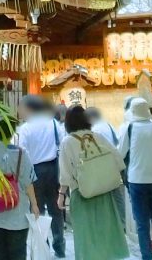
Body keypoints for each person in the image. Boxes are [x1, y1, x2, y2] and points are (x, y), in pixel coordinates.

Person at [57, 106, 128, 260]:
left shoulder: (67, 142)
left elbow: (65, 174)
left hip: (82, 194)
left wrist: (61, 194)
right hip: (104, 193)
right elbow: (119, 160)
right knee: (106, 235)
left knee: (86, 238)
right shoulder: (97, 137)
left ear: (68, 122)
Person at [0, 115, 40, 260]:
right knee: (18, 254)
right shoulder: (21, 154)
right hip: (18, 217)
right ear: (12, 132)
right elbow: (28, 183)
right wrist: (34, 205)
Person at [118, 98, 152, 260]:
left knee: (142, 225)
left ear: (132, 112)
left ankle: (147, 257)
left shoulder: (129, 128)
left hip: (137, 181)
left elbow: (120, 154)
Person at [17, 94, 67, 258]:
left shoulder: (25, 129)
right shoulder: (53, 124)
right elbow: (63, 143)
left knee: (36, 209)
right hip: (54, 169)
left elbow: (21, 153)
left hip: (34, 171)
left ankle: (43, 246)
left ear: (29, 108)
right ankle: (60, 247)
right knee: (56, 210)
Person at [87, 107, 127, 228]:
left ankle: (114, 222)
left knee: (106, 195)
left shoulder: (95, 130)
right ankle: (122, 220)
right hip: (112, 164)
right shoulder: (107, 125)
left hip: (102, 165)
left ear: (90, 118)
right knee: (116, 193)